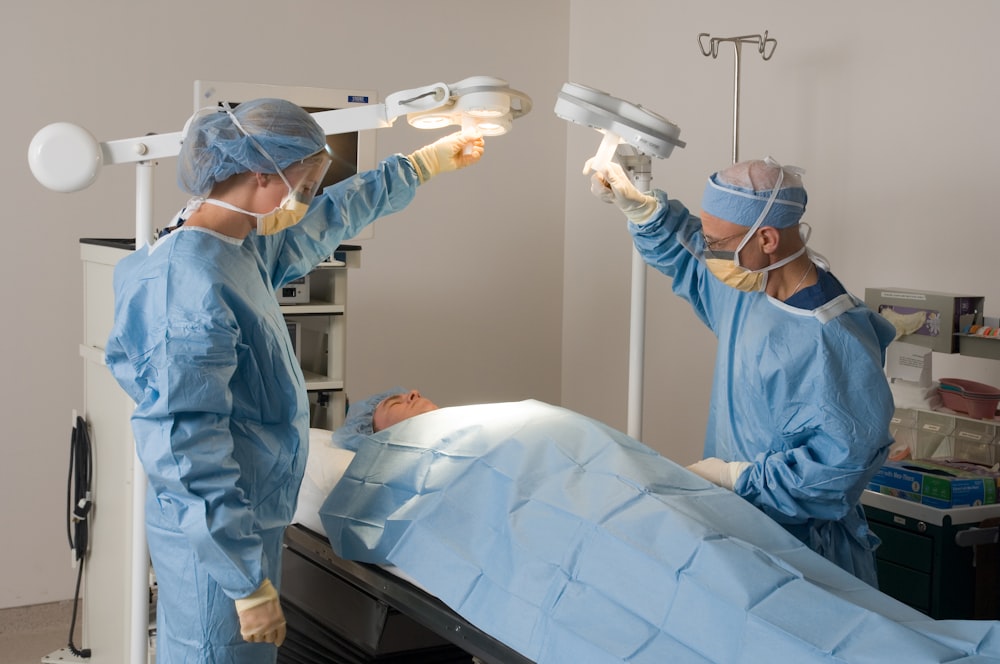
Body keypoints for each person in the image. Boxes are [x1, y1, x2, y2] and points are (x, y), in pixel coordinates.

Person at [104, 98, 484, 663]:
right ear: (261, 177)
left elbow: (331, 218)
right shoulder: (184, 285)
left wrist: (420, 165)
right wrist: (242, 579)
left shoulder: (239, 246)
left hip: (249, 513)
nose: (303, 200)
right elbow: (185, 450)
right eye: (301, 185)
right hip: (215, 538)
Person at [317, 389, 1000, 664]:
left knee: (730, 562)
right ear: (370, 432)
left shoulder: (493, 412)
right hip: (560, 522)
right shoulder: (393, 460)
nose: (407, 398)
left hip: (618, 489)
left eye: (412, 392)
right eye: (389, 404)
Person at [585, 156, 896, 587]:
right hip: (738, 527)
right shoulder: (750, 286)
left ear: (766, 237)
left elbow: (835, 470)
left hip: (805, 553)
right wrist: (643, 210)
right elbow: (690, 256)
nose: (707, 250)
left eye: (715, 241)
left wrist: (737, 478)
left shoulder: (830, 338)